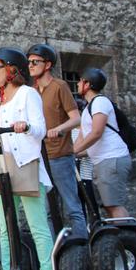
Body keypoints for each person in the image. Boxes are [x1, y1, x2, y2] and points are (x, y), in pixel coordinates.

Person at [0, 47, 55, 270]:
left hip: (25, 163)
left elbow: (41, 129)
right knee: (6, 228)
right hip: (2, 168)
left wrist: (25, 127)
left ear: (11, 69)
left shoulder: (28, 95)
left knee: (37, 224)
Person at [26, 43, 87, 239]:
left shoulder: (59, 86)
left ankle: (81, 247)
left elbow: (76, 118)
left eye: (35, 62)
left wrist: (57, 130)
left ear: (48, 64)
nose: (31, 66)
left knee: (71, 206)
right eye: (29, 63)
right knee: (48, 210)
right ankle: (56, 254)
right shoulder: (32, 91)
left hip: (60, 156)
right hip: (40, 157)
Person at [73, 68, 132, 219]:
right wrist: (68, 152)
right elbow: (82, 137)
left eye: (80, 81)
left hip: (111, 159)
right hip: (102, 161)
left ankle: (129, 240)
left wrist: (75, 151)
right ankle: (119, 239)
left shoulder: (100, 102)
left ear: (88, 84)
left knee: (114, 205)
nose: (78, 84)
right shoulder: (88, 108)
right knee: (109, 206)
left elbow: (96, 132)